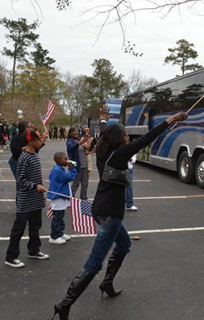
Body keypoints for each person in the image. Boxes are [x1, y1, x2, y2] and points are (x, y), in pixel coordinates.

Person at [52, 106, 188, 320]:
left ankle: (106, 283)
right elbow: (148, 138)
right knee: (94, 262)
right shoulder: (120, 153)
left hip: (100, 209)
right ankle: (65, 303)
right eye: (125, 134)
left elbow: (104, 132)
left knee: (124, 244)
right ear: (120, 139)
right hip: (110, 214)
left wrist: (104, 120)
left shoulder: (103, 151)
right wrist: (170, 119)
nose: (128, 137)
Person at [5, 130, 49, 268]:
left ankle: (34, 250)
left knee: (35, 226)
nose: (40, 141)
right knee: (18, 229)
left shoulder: (34, 154)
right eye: (38, 139)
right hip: (25, 200)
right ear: (30, 141)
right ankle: (11, 257)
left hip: (35, 199)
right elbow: (20, 180)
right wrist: (35, 186)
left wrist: (39, 192)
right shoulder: (24, 157)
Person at [47, 152, 78, 245]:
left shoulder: (59, 168)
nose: (67, 160)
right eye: (65, 159)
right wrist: (72, 168)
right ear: (59, 160)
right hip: (58, 196)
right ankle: (54, 236)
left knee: (61, 216)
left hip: (61, 195)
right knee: (57, 217)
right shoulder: (57, 170)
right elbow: (69, 178)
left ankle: (60, 233)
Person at [66, 127, 89, 199]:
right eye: (75, 131)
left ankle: (84, 198)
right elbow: (71, 148)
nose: (77, 132)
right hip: (76, 165)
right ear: (70, 133)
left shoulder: (79, 140)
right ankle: (71, 199)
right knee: (75, 183)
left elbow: (85, 151)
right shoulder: (69, 141)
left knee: (85, 184)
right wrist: (80, 143)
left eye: (77, 131)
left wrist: (88, 147)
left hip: (84, 164)